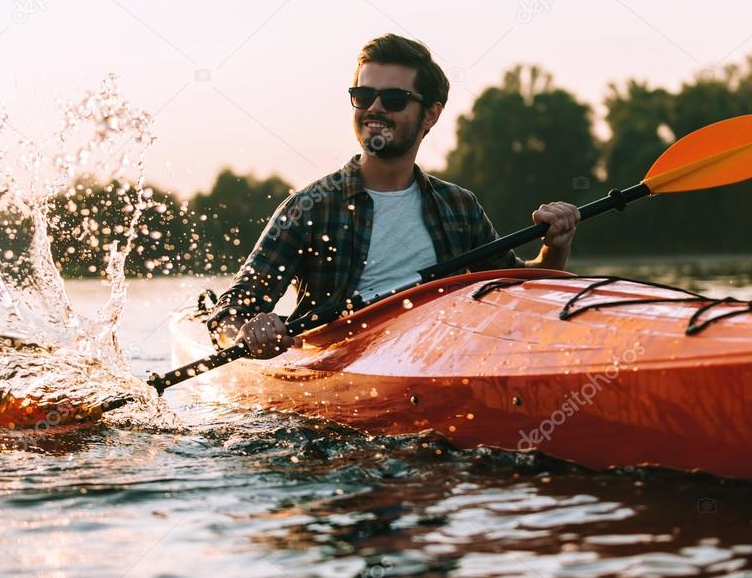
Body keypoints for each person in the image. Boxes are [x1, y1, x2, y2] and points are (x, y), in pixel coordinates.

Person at [206, 34, 580, 358]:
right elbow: (229, 314)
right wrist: (250, 330)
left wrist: (555, 246)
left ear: (430, 115)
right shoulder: (310, 208)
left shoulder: (459, 207)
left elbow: (517, 290)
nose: (375, 108)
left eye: (395, 99)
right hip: (340, 376)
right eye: (364, 95)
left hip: (441, 358)